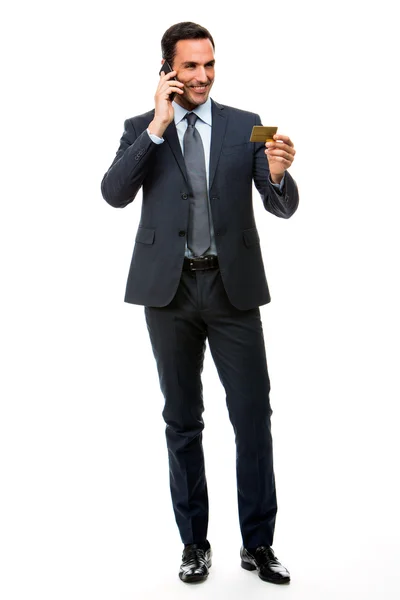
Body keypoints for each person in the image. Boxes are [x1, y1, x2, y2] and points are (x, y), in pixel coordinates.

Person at [101, 21, 299, 585]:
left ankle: (258, 544)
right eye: (190, 66)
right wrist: (158, 129)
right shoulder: (140, 127)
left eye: (209, 64)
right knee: (182, 422)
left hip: (232, 289)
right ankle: (194, 543)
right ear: (167, 70)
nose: (203, 76)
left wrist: (281, 177)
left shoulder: (250, 125)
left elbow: (280, 204)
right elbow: (114, 193)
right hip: (169, 294)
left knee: (253, 418)